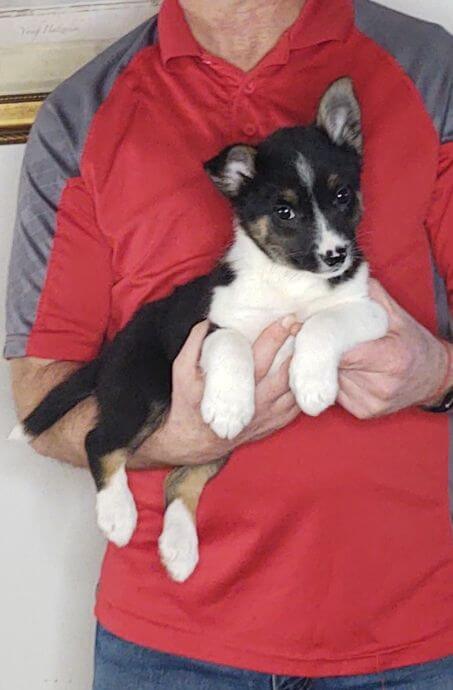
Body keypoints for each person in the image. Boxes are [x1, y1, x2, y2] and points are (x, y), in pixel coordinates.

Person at [6, 0, 453, 687]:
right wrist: (168, 437)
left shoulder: (428, 71)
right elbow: (41, 392)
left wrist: (437, 373)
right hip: (167, 647)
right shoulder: (80, 115)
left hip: (412, 638)